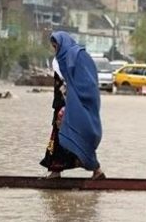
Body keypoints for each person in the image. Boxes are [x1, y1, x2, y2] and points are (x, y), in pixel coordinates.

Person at [40, 32, 104, 180]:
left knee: (77, 136)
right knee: (58, 138)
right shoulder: (59, 61)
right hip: (60, 105)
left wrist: (71, 99)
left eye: (56, 46)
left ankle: (96, 170)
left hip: (72, 106)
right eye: (53, 47)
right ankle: (56, 170)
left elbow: (85, 82)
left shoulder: (75, 57)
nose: (55, 49)